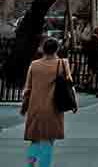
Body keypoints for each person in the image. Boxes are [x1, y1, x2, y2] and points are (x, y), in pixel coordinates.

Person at [21, 37, 74, 167]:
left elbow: (27, 88)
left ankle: (31, 161)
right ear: (57, 49)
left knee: (35, 139)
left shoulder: (34, 65)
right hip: (53, 107)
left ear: (43, 49)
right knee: (48, 140)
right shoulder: (62, 64)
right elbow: (69, 84)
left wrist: (24, 106)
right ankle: (44, 165)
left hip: (35, 107)